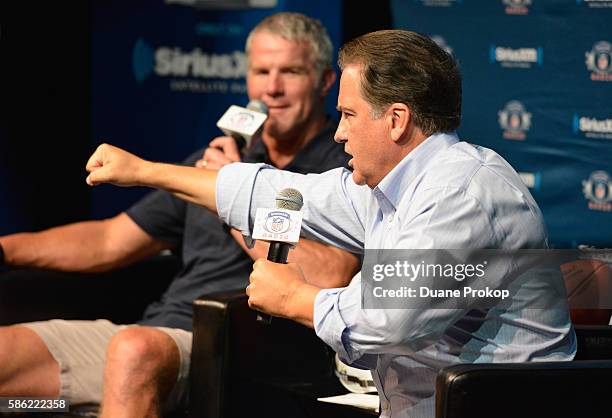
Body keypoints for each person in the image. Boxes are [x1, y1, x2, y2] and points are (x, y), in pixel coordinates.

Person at [85, 29, 577, 418]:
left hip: (495, 407)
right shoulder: (391, 183)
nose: (338, 132)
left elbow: (388, 318)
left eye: (347, 114)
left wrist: (293, 298)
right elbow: (282, 192)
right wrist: (144, 171)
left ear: (396, 120)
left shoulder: (458, 193)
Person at [0, 12, 360, 418]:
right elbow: (109, 241)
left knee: (134, 351)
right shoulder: (215, 159)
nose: (272, 88)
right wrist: (6, 250)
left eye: (290, 72)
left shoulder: (341, 168)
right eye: (262, 72)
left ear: (325, 82)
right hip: (150, 336)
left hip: (238, 356)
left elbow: (328, 276)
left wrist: (227, 199)